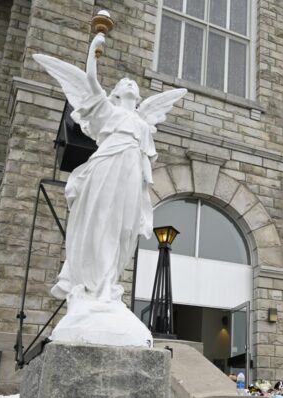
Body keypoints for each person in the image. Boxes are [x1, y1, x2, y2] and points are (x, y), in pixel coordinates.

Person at [33, 33, 187, 303]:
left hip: (130, 172)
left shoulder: (141, 121)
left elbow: (146, 158)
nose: (129, 82)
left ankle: (110, 281)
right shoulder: (108, 110)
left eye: (132, 83)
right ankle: (96, 284)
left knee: (124, 227)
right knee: (102, 220)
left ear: (137, 95)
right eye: (124, 81)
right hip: (108, 165)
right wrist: (93, 52)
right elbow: (91, 82)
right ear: (115, 92)